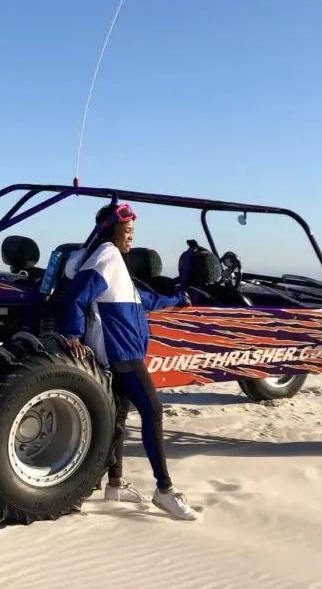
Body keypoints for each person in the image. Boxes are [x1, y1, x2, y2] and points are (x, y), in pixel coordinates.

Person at [61, 202, 198, 521]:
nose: (131, 239)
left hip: (124, 352)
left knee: (119, 417)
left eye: (133, 233)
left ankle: (115, 484)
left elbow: (142, 299)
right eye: (127, 232)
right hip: (121, 354)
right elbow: (76, 296)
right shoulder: (107, 255)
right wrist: (72, 334)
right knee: (153, 410)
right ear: (110, 230)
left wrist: (176, 300)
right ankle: (164, 491)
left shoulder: (111, 261)